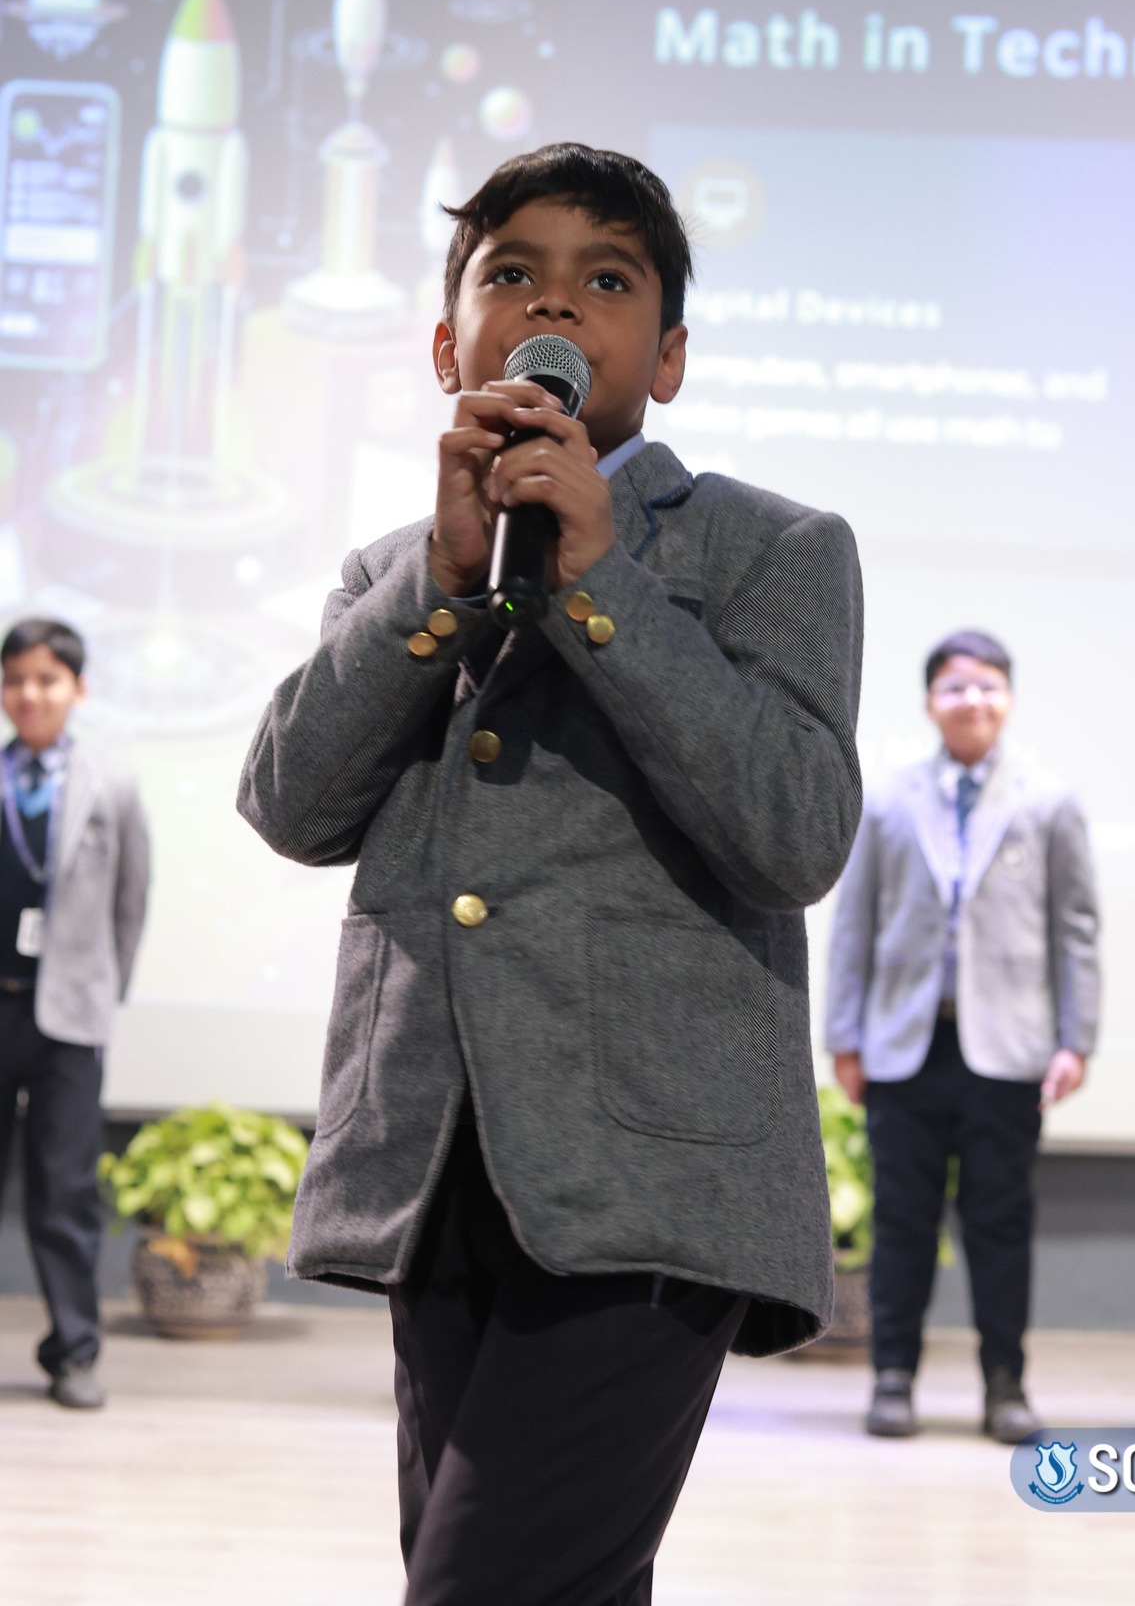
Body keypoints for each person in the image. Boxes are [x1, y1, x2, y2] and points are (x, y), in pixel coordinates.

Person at [238, 143, 863, 1606]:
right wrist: (443, 586)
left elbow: (795, 831)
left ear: (670, 356)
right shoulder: (398, 569)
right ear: (445, 342)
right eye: (511, 271)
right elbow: (290, 801)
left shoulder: (770, 547)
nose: (555, 302)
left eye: (608, 279)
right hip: (438, 1157)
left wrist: (600, 587)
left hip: (656, 1172)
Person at [826, 629, 1100, 1443]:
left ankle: (1004, 1385)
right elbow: (854, 924)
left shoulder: (1048, 799)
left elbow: (1076, 930)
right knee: (903, 1219)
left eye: (986, 685)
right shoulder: (888, 797)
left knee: (999, 1224)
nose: (971, 699)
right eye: (954, 686)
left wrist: (1076, 1039)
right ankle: (893, 1376)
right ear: (929, 702)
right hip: (905, 1045)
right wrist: (844, 1036)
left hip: (1007, 1050)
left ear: (1007, 699)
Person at [0, 617, 149, 1410]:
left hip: (66, 1022)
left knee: (64, 1194)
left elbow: (132, 901)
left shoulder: (110, 784)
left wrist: (103, 995)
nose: (29, 694)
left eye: (46, 679)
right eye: (14, 679)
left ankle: (74, 1352)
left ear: (77, 689)